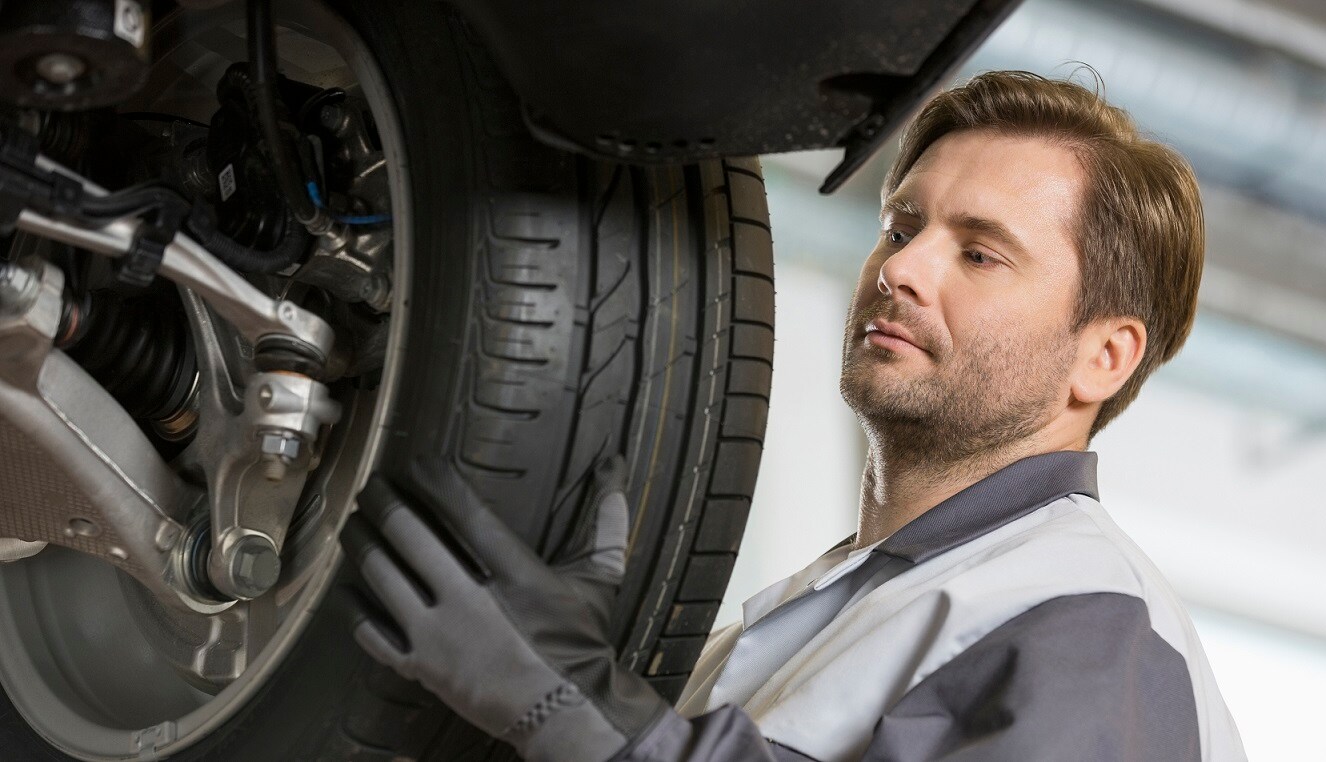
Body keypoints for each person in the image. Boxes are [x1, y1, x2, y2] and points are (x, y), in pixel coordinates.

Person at [341, 70, 1247, 761]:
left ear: (1104, 356)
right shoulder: (832, 612)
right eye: (902, 227)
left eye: (979, 253)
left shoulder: (1092, 626)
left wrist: (584, 709)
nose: (900, 270)